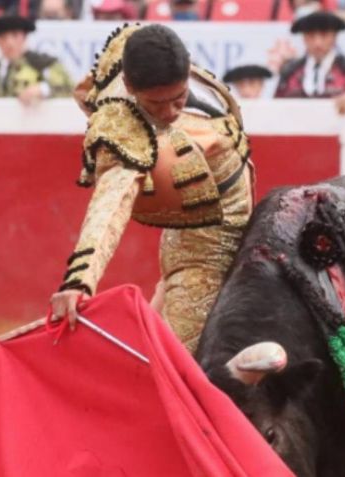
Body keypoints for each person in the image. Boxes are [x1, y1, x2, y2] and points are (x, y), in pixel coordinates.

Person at [51, 24, 253, 353]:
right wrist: (79, 280)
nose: (170, 112)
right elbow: (110, 205)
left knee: (159, 350)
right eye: (155, 105)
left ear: (187, 69)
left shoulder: (145, 49)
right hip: (202, 252)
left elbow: (89, 88)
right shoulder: (124, 129)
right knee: (179, 364)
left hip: (216, 221)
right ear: (130, 86)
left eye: (178, 99)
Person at [275, 10, 345, 137]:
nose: (317, 43)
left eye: (324, 35)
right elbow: (276, 114)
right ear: (304, 38)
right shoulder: (289, 72)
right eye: (311, 35)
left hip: (343, 147)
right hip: (297, 144)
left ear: (334, 36)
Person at [0, 15, 73, 105]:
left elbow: (72, 92)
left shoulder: (45, 65)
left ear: (24, 36)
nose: (9, 43)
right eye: (3, 37)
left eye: (15, 35)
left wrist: (43, 90)